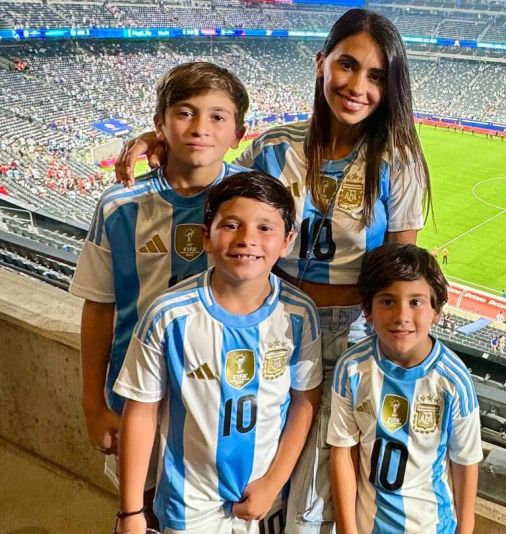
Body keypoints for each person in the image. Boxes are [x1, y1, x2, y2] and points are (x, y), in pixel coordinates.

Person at [114, 10, 431, 532]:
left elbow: (399, 273)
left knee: (312, 500)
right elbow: (218, 181)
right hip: (274, 326)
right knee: (248, 471)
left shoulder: (399, 163)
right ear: (321, 63)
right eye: (347, 65)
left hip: (352, 337)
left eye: (376, 76)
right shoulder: (274, 148)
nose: (356, 86)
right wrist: (162, 146)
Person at [69, 61, 251, 524]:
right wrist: (94, 404)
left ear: (239, 132)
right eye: (184, 113)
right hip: (136, 401)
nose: (199, 128)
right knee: (139, 511)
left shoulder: (249, 204)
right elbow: (99, 307)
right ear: (160, 124)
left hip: (220, 401)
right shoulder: (118, 205)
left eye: (217, 117)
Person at [113, 172, 321, 532]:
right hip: (188, 503)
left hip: (265, 498)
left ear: (287, 241)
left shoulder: (299, 315)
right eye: (231, 225)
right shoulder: (169, 315)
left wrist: (273, 482)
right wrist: (131, 511)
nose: (247, 240)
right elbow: (141, 411)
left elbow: (304, 401)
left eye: (264, 228)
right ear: (206, 237)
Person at [328, 243, 481, 534]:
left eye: (416, 302)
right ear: (367, 310)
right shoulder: (351, 369)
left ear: (436, 310)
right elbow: (342, 452)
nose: (402, 316)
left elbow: (465, 463)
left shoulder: (453, 381)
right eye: (387, 301)